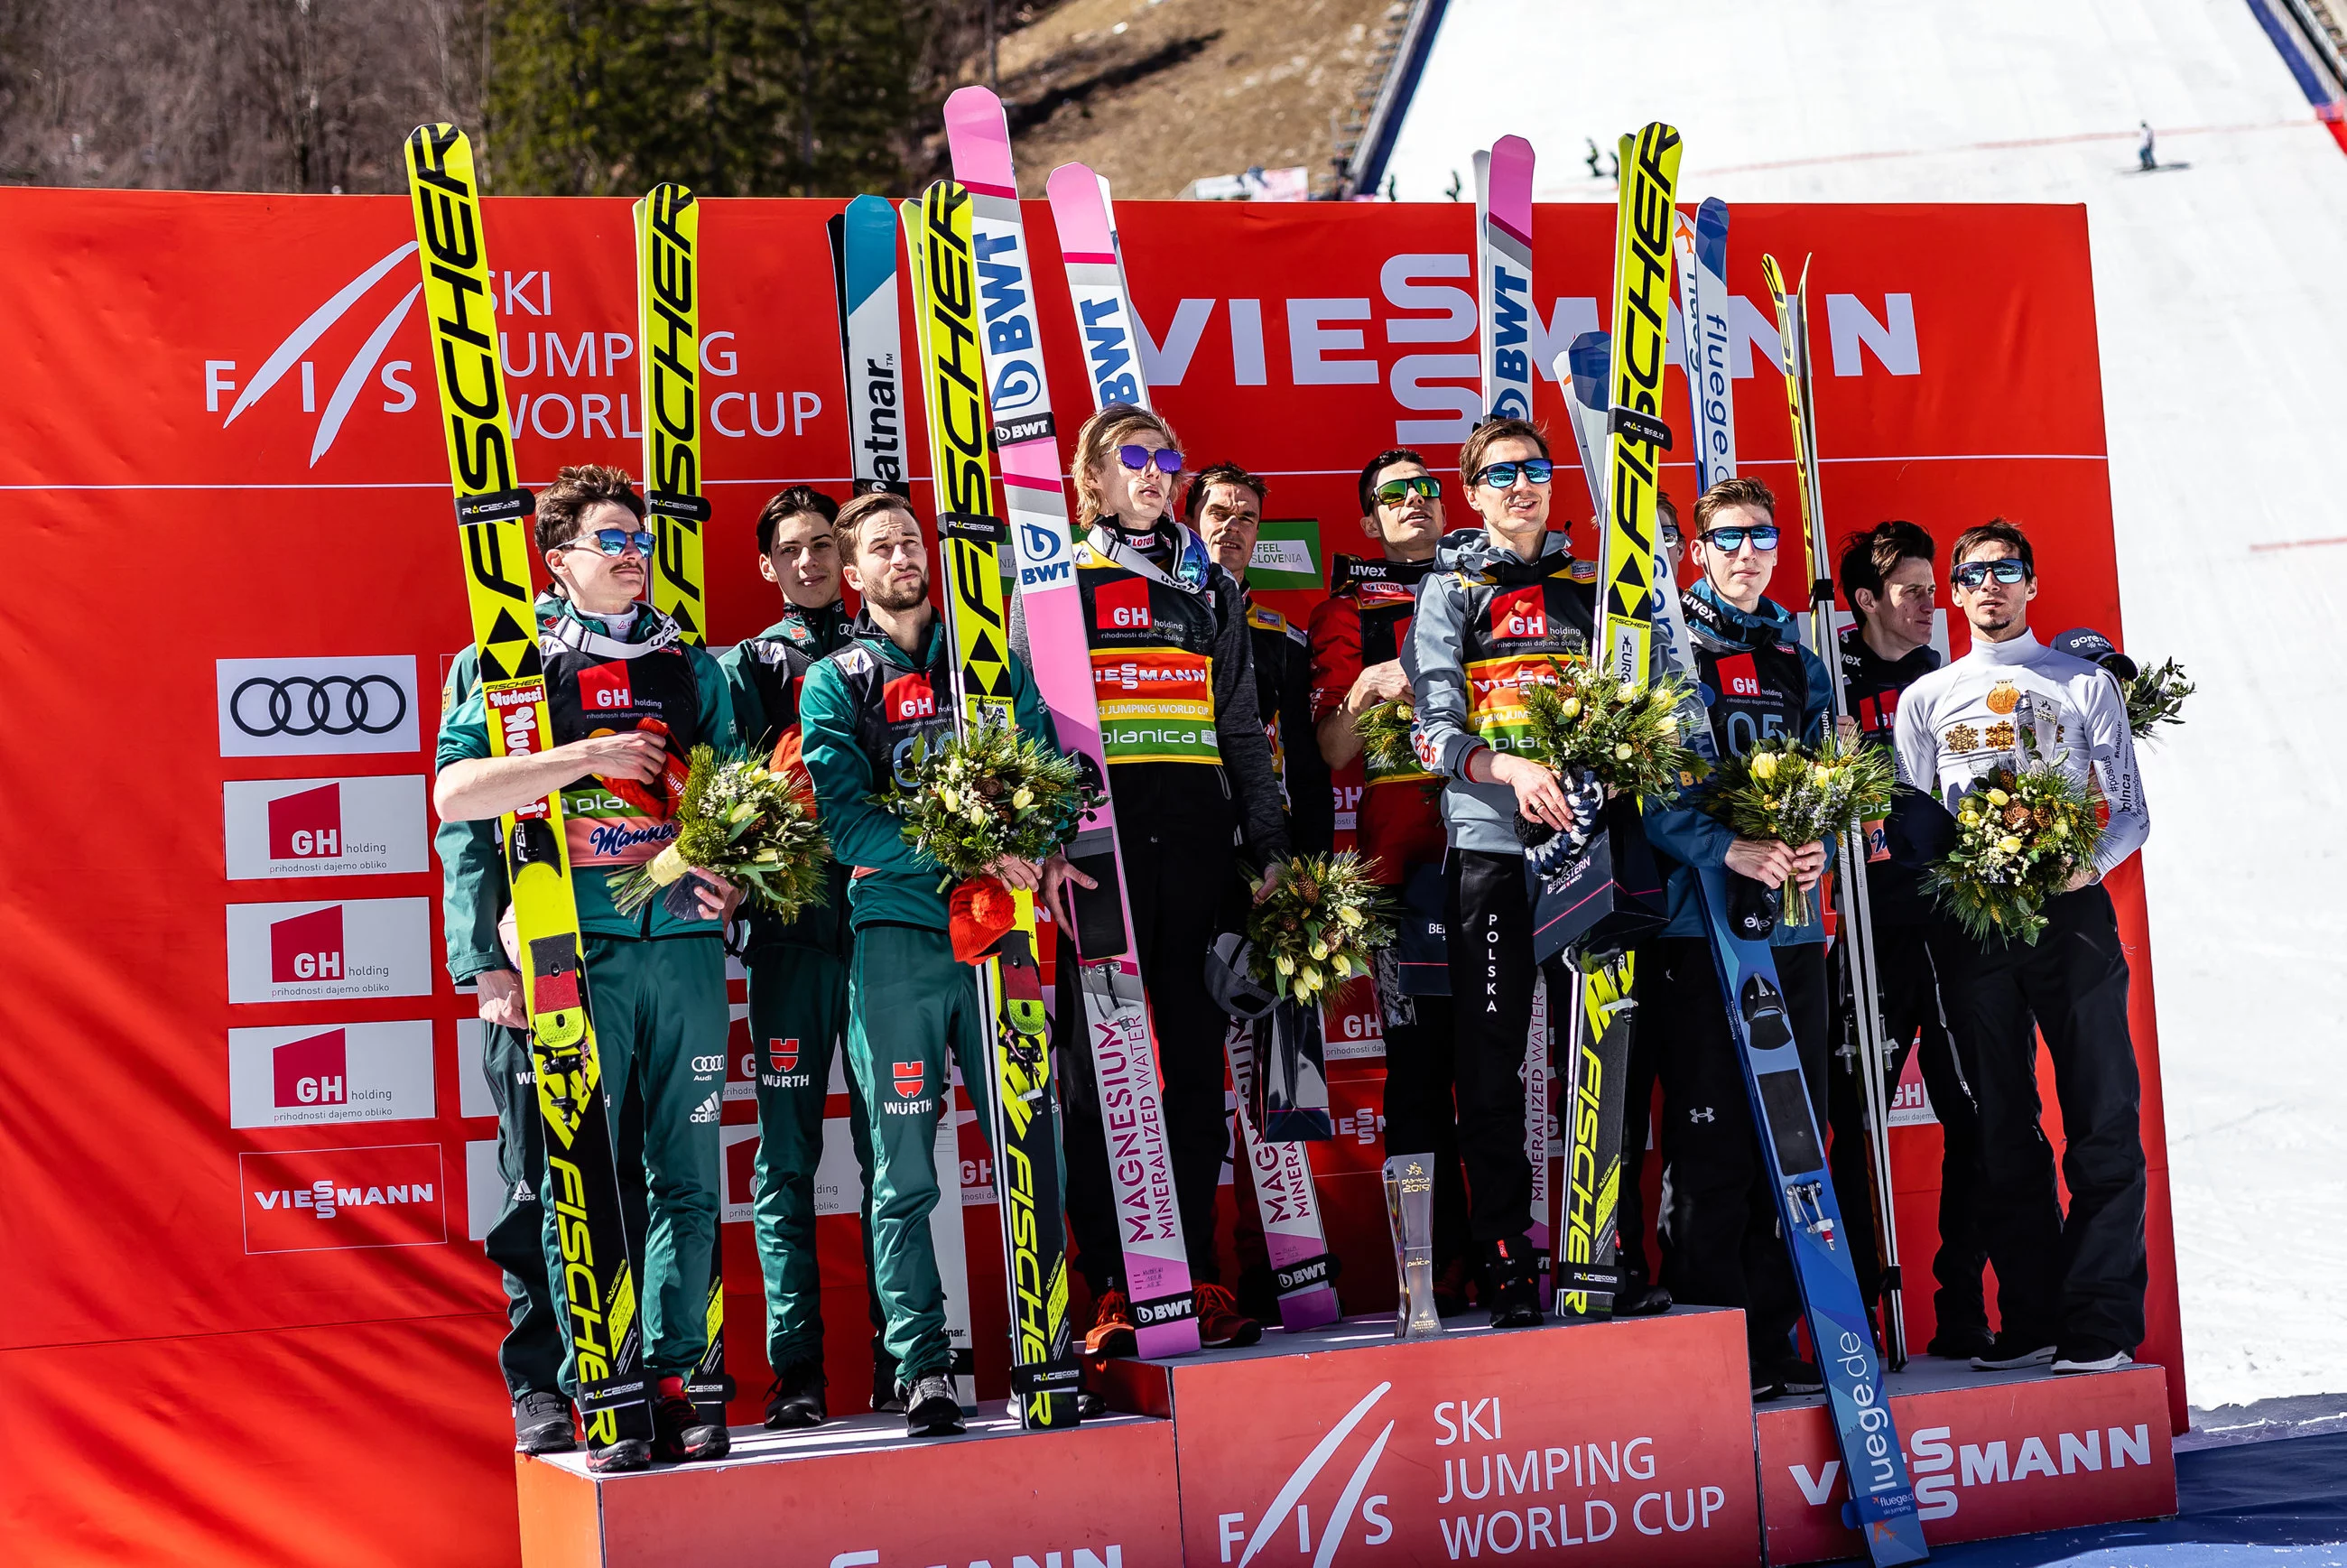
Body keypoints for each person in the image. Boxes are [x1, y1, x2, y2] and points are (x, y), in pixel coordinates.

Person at [434, 464, 741, 1471]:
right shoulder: (510, 660)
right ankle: (590, 1387)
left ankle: (678, 1379)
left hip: (685, 951)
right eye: (611, 540)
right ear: (557, 557)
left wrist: (732, 866)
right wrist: (488, 959)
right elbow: (458, 799)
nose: (634, 556)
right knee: (570, 1177)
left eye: (639, 541)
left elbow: (741, 802)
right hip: (574, 954)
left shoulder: (692, 667)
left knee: (687, 1178)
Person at [796, 491, 1087, 1435]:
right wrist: (959, 847)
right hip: (898, 945)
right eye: (880, 548)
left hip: (1000, 933)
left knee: (1027, 1136)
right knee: (903, 1165)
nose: (901, 556)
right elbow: (841, 820)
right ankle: (922, 1367)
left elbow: (1048, 776)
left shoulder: (985, 661)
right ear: (852, 575)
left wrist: (1035, 842)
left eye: (910, 541)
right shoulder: (835, 677)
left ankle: (1046, 1340)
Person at [1017, 402, 1290, 1357]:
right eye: (1130, 459)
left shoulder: (1205, 583)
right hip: (1098, 856)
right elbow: (1025, 726)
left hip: (1197, 853)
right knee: (1097, 1074)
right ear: (1090, 481)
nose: (1151, 472)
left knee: (1189, 1068)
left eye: (1163, 458)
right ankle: (1110, 1289)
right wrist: (1046, 842)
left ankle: (1193, 1276)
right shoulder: (1056, 581)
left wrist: (1266, 852)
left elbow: (1241, 731)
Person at [1892, 518, 2150, 1376]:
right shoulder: (1925, 698)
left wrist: (2086, 869)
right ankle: (2035, 1315)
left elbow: (2131, 810)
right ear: (1954, 596)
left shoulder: (2082, 683)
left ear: (2032, 584)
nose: (1990, 586)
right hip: (1974, 928)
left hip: (2069, 920)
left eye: (2007, 570)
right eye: (1973, 575)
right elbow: (1916, 819)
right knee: (2000, 1125)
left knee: (2101, 1117)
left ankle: (2101, 1323)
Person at [1636, 475, 1835, 1400]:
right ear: (1697, 552)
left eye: (1760, 537)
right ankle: (1715, 1340)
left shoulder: (1797, 652)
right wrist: (1731, 848)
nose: (1747, 553)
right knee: (1711, 1141)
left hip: (1792, 931)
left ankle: (1771, 1331)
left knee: (1789, 1141)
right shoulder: (1669, 647)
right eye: (1727, 539)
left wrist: (1817, 838)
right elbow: (1656, 796)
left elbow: (1837, 774)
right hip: (1700, 927)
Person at [1404, 416, 1599, 1328]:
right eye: (1500, 474)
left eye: (1536, 469)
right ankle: (1505, 1258)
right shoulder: (1452, 583)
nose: (1522, 485)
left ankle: (1600, 1253)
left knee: (1600, 1053)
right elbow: (1432, 724)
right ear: (1472, 493)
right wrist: (1507, 768)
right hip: (1489, 849)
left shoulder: (1593, 583)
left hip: (1589, 845)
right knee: (1488, 1067)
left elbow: (1637, 707)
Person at [717, 485, 900, 1426]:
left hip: (882, 924)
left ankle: (902, 1360)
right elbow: (722, 792)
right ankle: (797, 1375)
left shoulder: (900, 654)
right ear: (767, 566)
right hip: (792, 930)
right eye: (790, 550)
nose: (810, 563)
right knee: (783, 1158)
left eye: (824, 545)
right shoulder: (747, 665)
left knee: (890, 1152)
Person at [1826, 519, 1993, 1360]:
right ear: (1865, 601)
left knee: (1978, 1113)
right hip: (1869, 929)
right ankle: (1855, 1307)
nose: (1932, 603)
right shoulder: (1828, 678)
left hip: (1952, 927)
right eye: (1912, 590)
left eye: (1935, 588)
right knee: (1850, 1122)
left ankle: (1961, 1302)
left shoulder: (1950, 678)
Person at [1310, 446, 1471, 1311]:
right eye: (1393, 495)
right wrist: (1371, 685)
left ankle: (1508, 1260)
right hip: (1400, 866)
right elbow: (1332, 750)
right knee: (1413, 1079)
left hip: (1501, 850)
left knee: (1501, 1075)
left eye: (1427, 488)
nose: (1415, 501)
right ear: (1370, 521)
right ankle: (1426, 1273)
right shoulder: (1347, 611)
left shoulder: (1491, 587)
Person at [435, 709, 573, 1458]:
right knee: (536, 1176)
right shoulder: (490, 654)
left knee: (632, 1169)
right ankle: (540, 1383)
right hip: (528, 960)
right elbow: (461, 825)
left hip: (623, 953)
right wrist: (483, 956)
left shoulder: (647, 643)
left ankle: (628, 1369)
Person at [1608, 491, 1684, 1319]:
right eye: (1640, 540)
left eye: (1664, 539)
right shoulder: (1603, 636)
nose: (1651, 553)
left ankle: (1697, 1272)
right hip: (1616, 894)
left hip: (1696, 913)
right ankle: (1611, 1256)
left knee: (1693, 1111)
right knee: (1616, 1097)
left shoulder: (1705, 633)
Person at [1187, 462, 1333, 857]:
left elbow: (1305, 763)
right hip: (1177, 816)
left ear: (1255, 535)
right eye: (1218, 513)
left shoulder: (1284, 638)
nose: (1232, 526)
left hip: (1260, 829)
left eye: (1246, 518)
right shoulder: (1154, 620)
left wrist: (1313, 863)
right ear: (1187, 522)